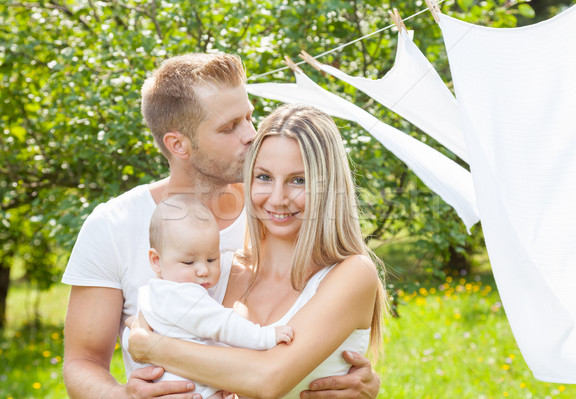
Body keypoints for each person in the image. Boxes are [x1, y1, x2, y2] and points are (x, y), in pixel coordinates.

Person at [62, 53, 381, 399]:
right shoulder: (117, 226)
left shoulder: (273, 214)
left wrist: (147, 345)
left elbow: (281, 366)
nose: (250, 134)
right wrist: (124, 396)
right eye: (229, 127)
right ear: (178, 144)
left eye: (249, 117)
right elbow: (82, 362)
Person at [127, 103, 389, 399]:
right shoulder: (219, 270)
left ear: (327, 187)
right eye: (264, 177)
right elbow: (148, 321)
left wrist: (152, 347)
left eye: (298, 180)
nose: (277, 198)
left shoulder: (351, 274)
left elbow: (268, 378)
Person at [126, 194, 294, 398]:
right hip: (194, 390)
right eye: (189, 263)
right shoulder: (183, 295)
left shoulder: (151, 293)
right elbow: (223, 325)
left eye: (212, 259)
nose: (203, 270)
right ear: (156, 260)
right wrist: (265, 336)